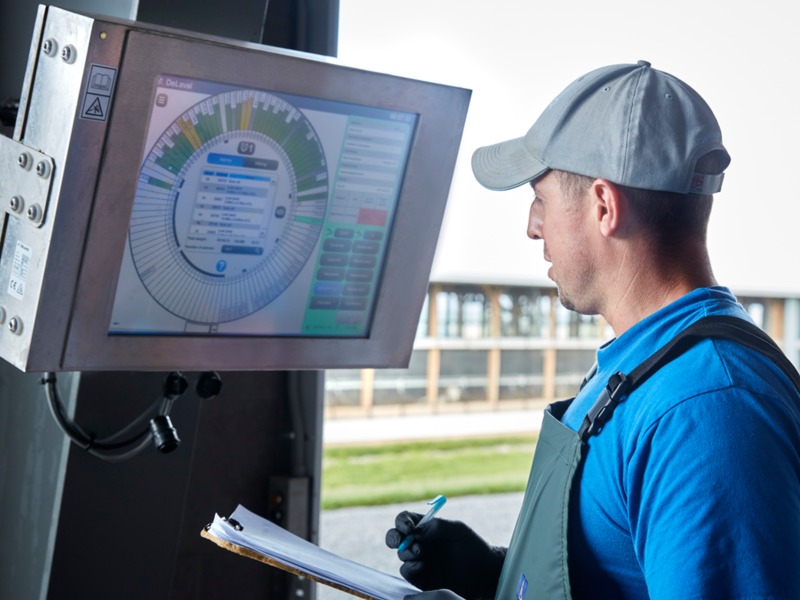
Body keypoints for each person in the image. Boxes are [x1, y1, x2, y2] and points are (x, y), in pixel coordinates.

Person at [385, 61, 800, 599]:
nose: (532, 226)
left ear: (604, 206)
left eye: (540, 199)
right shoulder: (647, 365)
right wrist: (492, 576)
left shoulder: (704, 410)